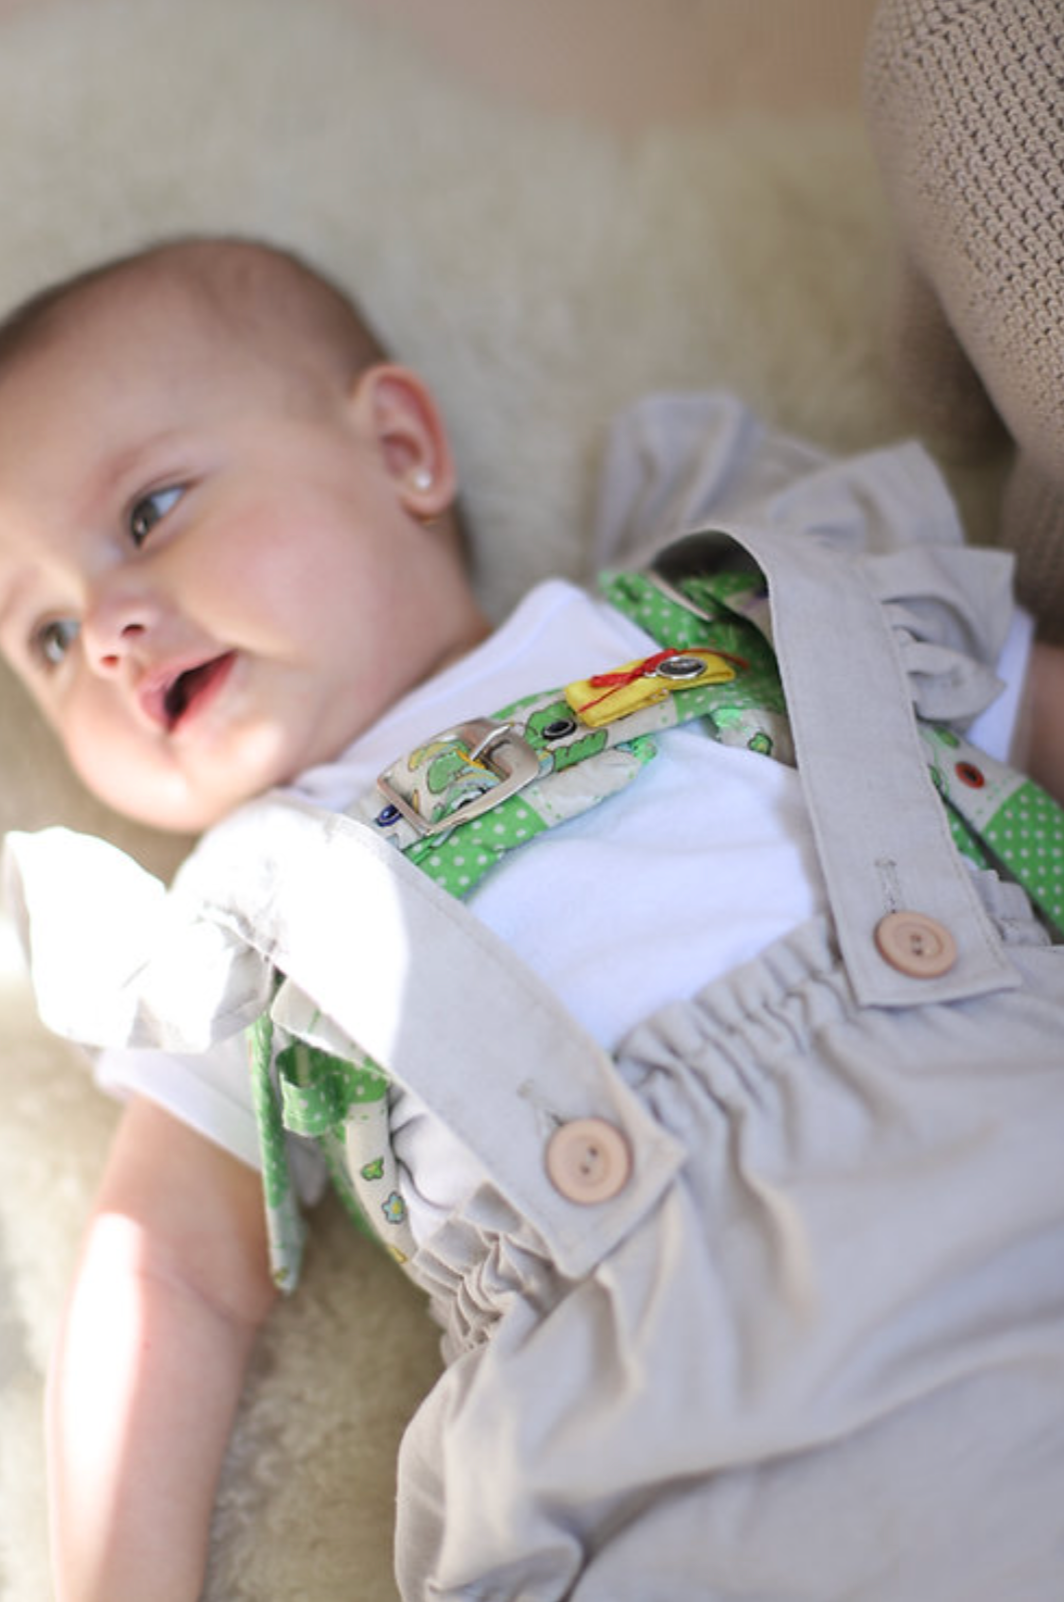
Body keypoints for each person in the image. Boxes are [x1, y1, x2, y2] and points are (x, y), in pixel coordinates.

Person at [1, 236, 1062, 1602]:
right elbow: (164, 1274)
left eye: (149, 512)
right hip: (640, 1401)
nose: (105, 632)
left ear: (400, 450)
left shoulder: (711, 619)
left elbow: (1024, 718)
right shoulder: (248, 928)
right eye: (44, 636)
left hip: (983, 1124)